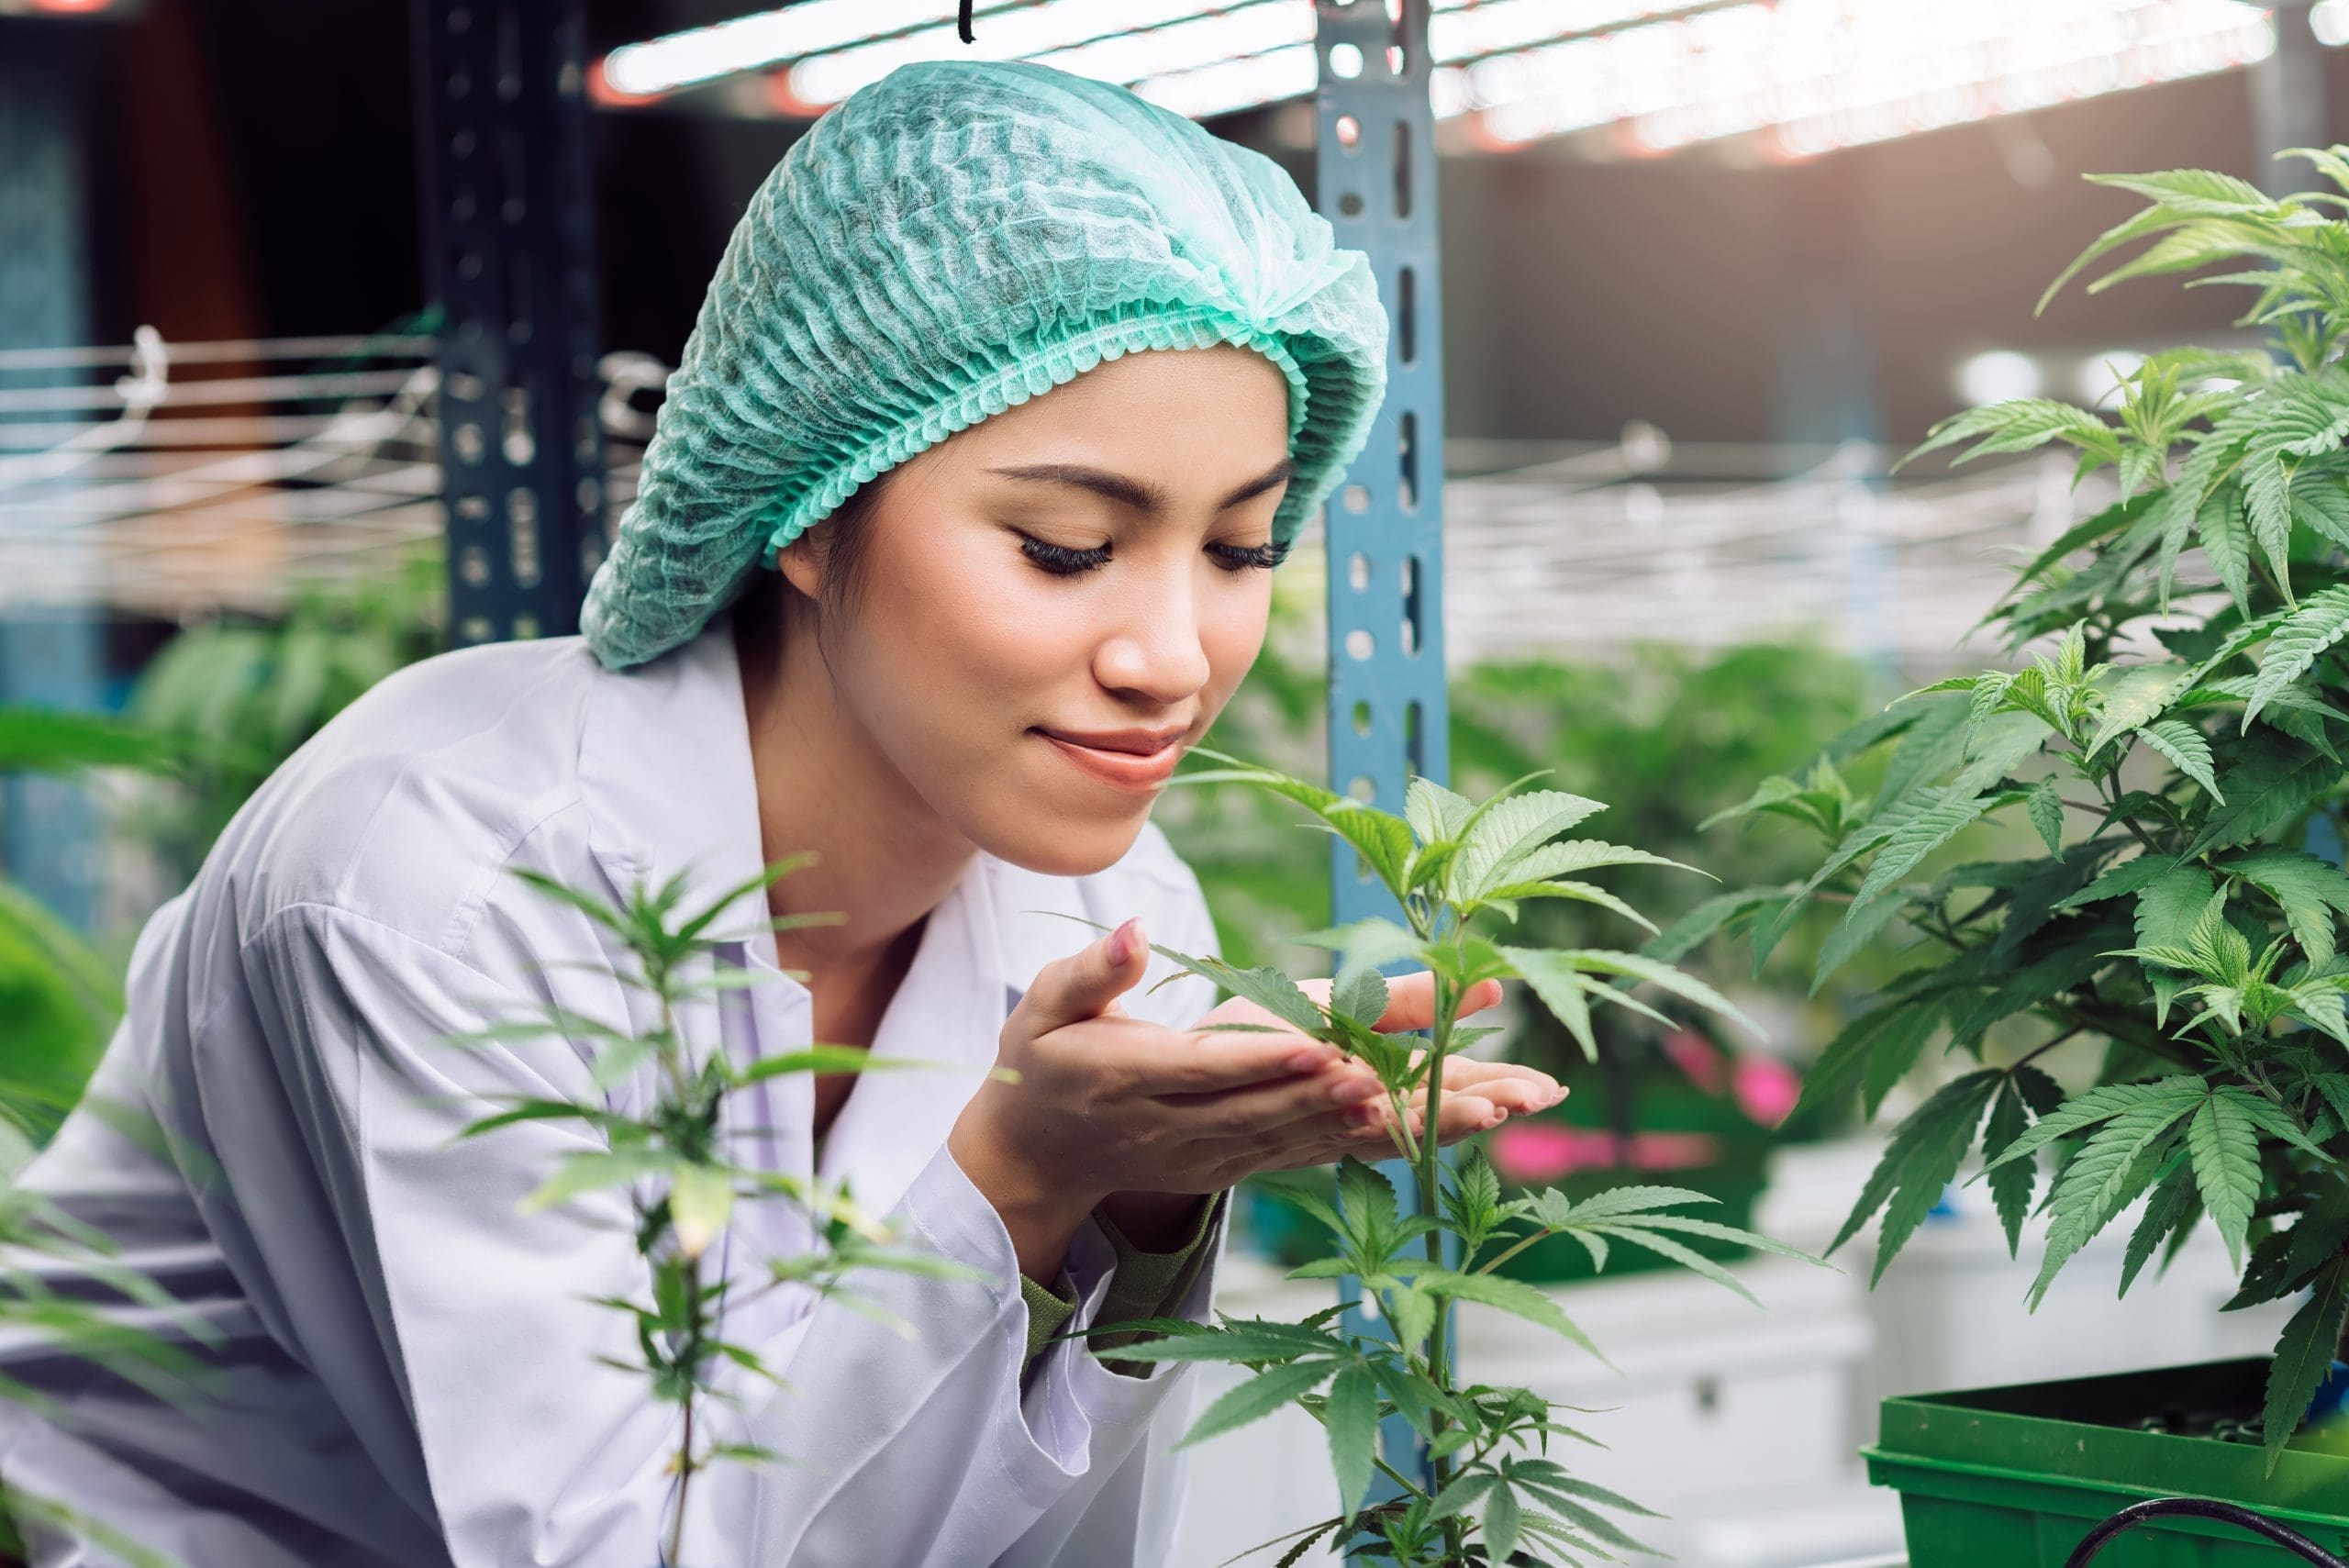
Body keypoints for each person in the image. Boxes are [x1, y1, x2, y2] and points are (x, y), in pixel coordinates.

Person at [0, 61, 1561, 1567]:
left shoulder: (1109, 917)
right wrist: (1018, 1178)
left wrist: (1136, 1204)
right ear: (809, 510)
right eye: (1071, 546)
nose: (1172, 660)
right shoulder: (440, 880)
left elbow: (1061, 1546)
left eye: (1239, 547)